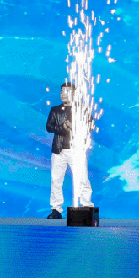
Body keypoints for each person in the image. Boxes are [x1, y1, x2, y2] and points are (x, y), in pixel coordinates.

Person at [45, 81, 93, 219]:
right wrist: (63, 127)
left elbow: (90, 126)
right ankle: (56, 209)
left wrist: (75, 127)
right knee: (56, 180)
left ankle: (86, 206)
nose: (63, 95)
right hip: (59, 150)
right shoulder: (55, 110)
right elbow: (49, 127)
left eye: (67, 92)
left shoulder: (82, 109)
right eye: (62, 92)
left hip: (76, 150)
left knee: (82, 179)